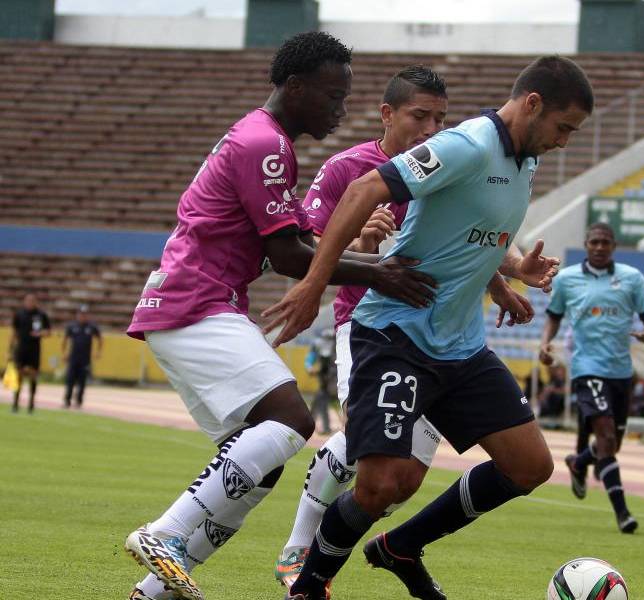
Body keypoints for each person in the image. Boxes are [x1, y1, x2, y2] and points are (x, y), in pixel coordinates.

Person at [122, 33, 438, 600]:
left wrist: (361, 253)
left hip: (193, 301)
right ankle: (164, 532)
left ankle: (153, 592)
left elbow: (300, 242)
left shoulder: (264, 141)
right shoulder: (264, 145)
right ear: (294, 87)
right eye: (332, 95)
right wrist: (378, 271)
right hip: (196, 299)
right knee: (292, 419)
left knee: (258, 466)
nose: (340, 109)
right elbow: (290, 257)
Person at [263, 55, 592, 600]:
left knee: (530, 466)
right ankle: (308, 587)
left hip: (460, 347)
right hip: (395, 335)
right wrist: (312, 283)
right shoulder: (466, 145)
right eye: (563, 128)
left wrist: (509, 271)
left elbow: (474, 229)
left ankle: (400, 547)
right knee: (380, 484)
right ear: (533, 105)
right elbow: (362, 191)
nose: (564, 142)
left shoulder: (523, 158)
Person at [539, 221, 644, 534]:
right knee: (605, 437)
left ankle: (579, 462)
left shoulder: (632, 278)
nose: (600, 247)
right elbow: (553, 317)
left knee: (611, 445)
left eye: (606, 242)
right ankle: (623, 514)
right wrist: (545, 343)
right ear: (587, 245)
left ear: (614, 246)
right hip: (587, 368)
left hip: (621, 372)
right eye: (595, 242)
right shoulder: (567, 280)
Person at [10, 293, 50, 413]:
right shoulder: (19, 314)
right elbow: (14, 331)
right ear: (24, 301)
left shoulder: (41, 315)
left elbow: (48, 332)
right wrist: (11, 348)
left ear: (36, 302)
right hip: (21, 348)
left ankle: (31, 404)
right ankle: (15, 403)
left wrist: (40, 333)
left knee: (33, 375)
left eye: (32, 300)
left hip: (34, 349)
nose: (30, 302)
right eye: (27, 300)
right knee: (19, 375)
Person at [62, 305, 102, 408]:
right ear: (77, 315)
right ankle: (67, 400)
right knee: (70, 380)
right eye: (81, 314)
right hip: (73, 358)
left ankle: (79, 401)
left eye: (84, 315)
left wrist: (98, 351)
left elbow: (99, 339)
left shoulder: (91, 327)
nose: (82, 317)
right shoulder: (72, 326)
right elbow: (65, 340)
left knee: (82, 381)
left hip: (85, 359)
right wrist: (64, 353)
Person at [305, 328, 337, 434]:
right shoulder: (320, 345)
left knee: (322, 400)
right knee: (321, 399)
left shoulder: (340, 345)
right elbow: (310, 359)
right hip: (326, 380)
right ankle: (314, 425)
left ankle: (311, 425)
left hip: (335, 381)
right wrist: (310, 368)